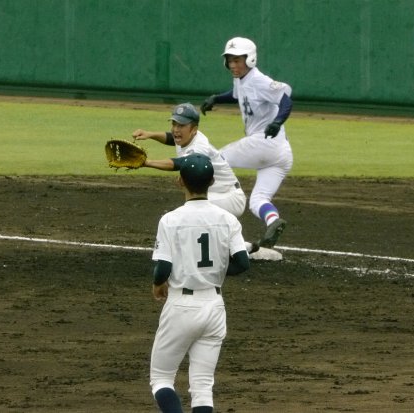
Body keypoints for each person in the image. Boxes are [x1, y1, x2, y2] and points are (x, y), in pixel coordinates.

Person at [149, 153, 250, 413]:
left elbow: (163, 267)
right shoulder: (228, 219)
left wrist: (157, 284)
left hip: (182, 305)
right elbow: (242, 263)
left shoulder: (170, 220)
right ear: (213, 181)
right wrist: (213, 273)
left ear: (180, 181)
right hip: (214, 306)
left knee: (161, 378)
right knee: (203, 387)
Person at [200, 36, 293, 248]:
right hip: (281, 154)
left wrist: (278, 121)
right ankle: (273, 221)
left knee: (215, 160)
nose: (233, 65)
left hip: (264, 142)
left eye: (237, 60)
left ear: (250, 59)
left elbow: (286, 98)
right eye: (230, 60)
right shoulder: (242, 79)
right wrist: (216, 98)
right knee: (258, 200)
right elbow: (237, 94)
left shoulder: (259, 80)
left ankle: (205, 210)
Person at [133, 103, 259, 254]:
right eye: (174, 124)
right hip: (216, 195)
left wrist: (147, 162)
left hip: (229, 197)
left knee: (194, 214)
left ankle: (230, 247)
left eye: (181, 125)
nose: (176, 129)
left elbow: (180, 163)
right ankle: (243, 247)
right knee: (197, 215)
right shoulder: (185, 137)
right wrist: (150, 134)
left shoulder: (199, 147)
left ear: (194, 129)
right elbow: (171, 138)